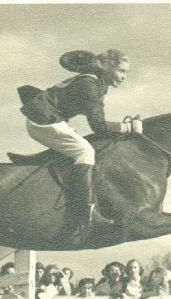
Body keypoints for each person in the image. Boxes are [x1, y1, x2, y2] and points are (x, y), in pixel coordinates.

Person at [17, 49, 141, 238]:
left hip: (47, 118)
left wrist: (124, 126)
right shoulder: (89, 85)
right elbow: (99, 126)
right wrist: (127, 127)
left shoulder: (95, 82)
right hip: (42, 121)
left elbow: (98, 121)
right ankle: (86, 212)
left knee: (82, 147)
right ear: (107, 67)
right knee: (85, 152)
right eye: (122, 71)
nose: (124, 77)